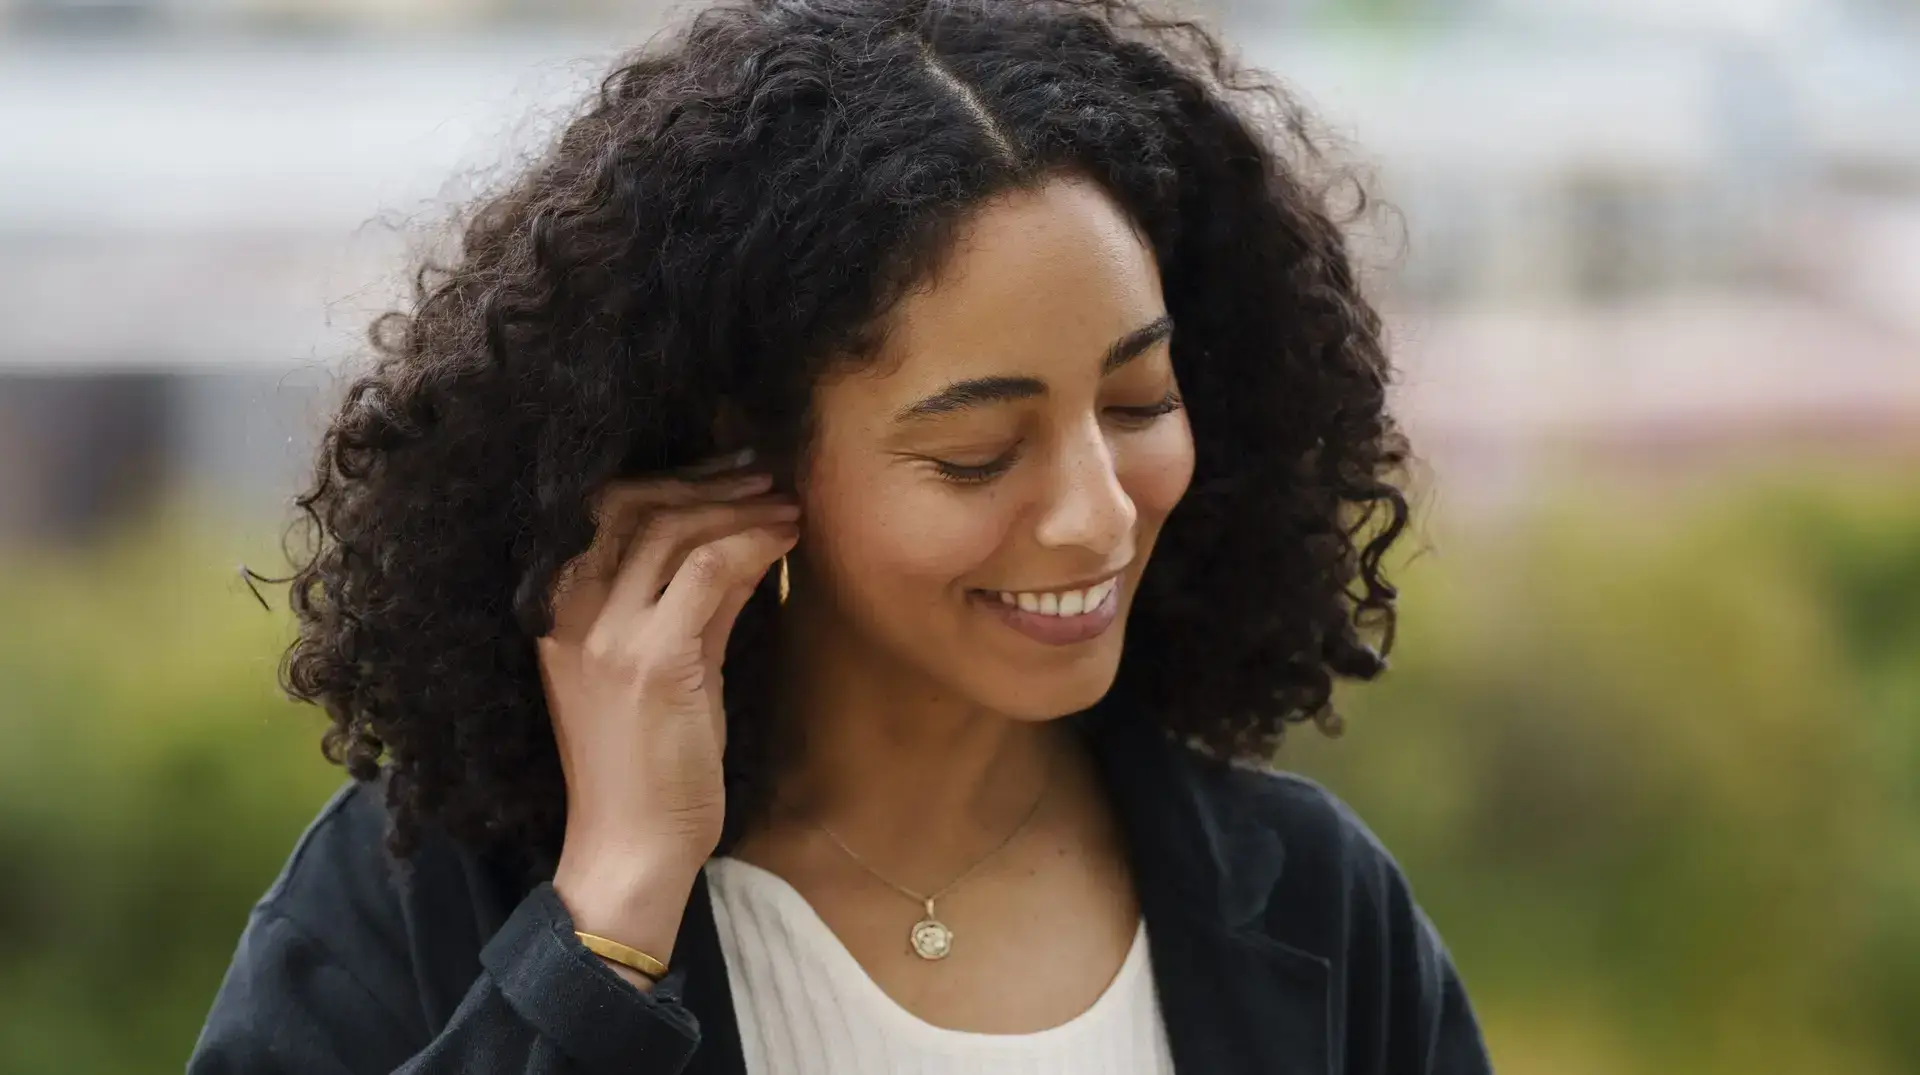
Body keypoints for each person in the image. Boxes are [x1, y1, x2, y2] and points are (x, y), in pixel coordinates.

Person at [190, 1, 1493, 1072]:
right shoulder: (422, 897)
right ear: (740, 463)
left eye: (1139, 402)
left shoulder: (1311, 903)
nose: (1098, 508)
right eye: (976, 452)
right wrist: (603, 930)